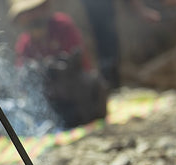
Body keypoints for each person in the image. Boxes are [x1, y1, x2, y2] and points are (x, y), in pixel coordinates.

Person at [9, 0, 108, 129]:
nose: (32, 16)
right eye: (27, 14)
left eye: (34, 10)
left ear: (44, 8)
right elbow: (22, 76)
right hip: (50, 98)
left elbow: (78, 60)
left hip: (74, 90)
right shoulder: (25, 43)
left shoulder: (62, 26)